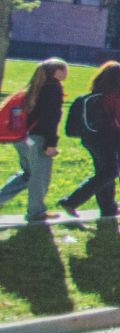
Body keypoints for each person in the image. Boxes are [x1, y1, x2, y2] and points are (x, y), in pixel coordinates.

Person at [57, 61, 120, 219]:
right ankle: (72, 201)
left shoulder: (96, 93)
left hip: (89, 137)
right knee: (111, 171)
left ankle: (109, 208)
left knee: (103, 172)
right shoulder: (118, 96)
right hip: (110, 137)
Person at [0, 58, 67, 221]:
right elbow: (51, 118)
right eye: (64, 69)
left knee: (28, 174)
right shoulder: (53, 89)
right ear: (56, 72)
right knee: (40, 176)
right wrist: (51, 143)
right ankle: (36, 212)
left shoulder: (35, 87)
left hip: (22, 138)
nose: (66, 73)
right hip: (38, 139)